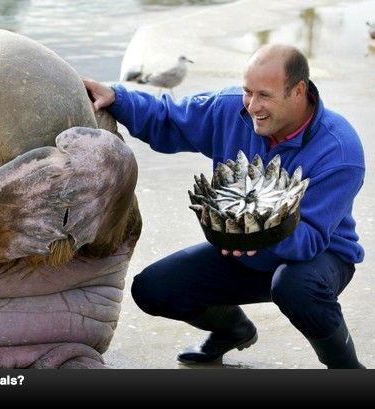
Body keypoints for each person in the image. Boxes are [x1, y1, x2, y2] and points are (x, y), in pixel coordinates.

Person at [83, 44, 366, 369]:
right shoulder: (231, 109)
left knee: (294, 287)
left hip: (320, 258)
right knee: (153, 288)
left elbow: (311, 237)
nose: (252, 106)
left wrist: (258, 234)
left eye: (264, 95)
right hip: (243, 247)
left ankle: (347, 368)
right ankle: (233, 330)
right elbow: (168, 118)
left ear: (298, 91)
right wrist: (116, 98)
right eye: (248, 91)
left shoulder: (340, 149)